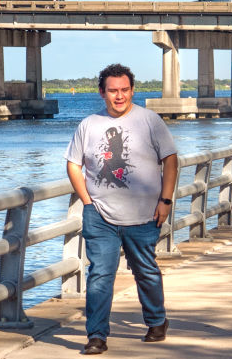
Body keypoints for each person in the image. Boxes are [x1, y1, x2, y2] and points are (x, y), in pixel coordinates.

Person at [65, 64, 178, 355]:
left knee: (145, 270)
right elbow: (73, 164)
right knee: (101, 274)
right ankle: (97, 336)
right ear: (102, 92)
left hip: (144, 215)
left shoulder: (150, 121)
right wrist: (87, 201)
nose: (119, 96)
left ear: (132, 90)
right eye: (113, 90)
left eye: (124, 90)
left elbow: (171, 160)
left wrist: (165, 201)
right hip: (100, 214)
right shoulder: (88, 124)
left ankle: (156, 321)